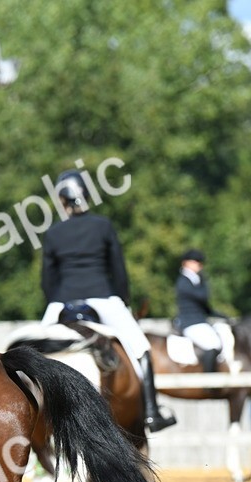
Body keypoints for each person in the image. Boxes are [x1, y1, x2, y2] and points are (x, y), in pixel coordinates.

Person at [40, 169, 176, 432]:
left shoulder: (54, 233)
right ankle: (151, 412)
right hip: (103, 298)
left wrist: (55, 303)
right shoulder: (103, 226)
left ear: (63, 199)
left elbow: (47, 280)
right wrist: (123, 300)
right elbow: (119, 271)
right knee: (140, 347)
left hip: (61, 303)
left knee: (33, 351)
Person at [175, 248, 228, 373]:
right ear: (186, 263)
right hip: (191, 322)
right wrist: (203, 280)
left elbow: (204, 306)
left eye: (200, 262)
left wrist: (220, 315)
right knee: (213, 344)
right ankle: (209, 382)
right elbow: (202, 296)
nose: (199, 265)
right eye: (195, 261)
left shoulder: (195, 280)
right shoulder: (184, 281)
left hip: (200, 321)